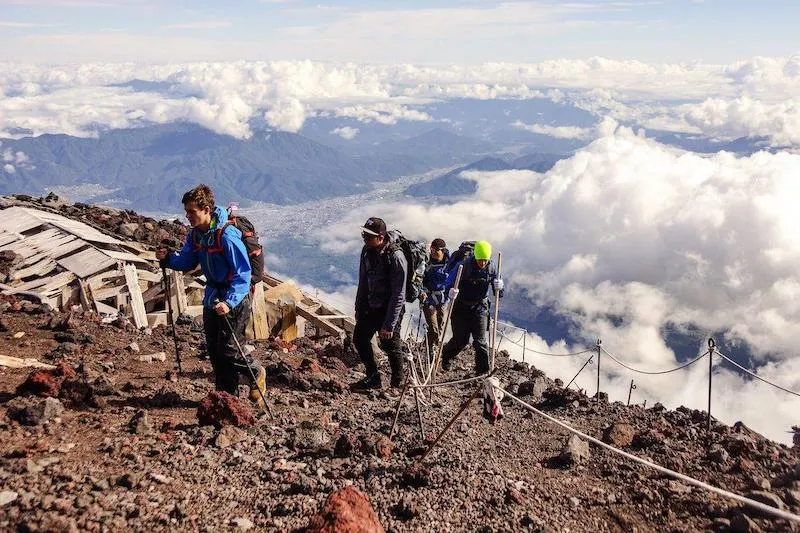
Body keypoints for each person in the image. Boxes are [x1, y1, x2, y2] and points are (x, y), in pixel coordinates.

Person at [156, 184, 266, 405]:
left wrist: (230, 302)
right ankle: (227, 398)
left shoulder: (227, 235)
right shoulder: (197, 235)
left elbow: (243, 274)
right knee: (215, 352)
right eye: (186, 211)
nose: (187, 216)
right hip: (213, 296)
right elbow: (188, 260)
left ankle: (256, 372)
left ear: (206, 209)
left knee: (228, 349)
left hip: (233, 299)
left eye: (191, 212)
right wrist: (168, 259)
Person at [351, 217, 408, 391]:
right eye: (364, 235)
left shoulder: (396, 257)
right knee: (360, 338)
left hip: (389, 308)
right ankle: (373, 377)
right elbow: (363, 280)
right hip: (371, 305)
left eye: (369, 237)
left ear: (381, 237)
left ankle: (397, 384)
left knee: (390, 344)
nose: (365, 239)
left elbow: (399, 294)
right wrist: (359, 308)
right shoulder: (367, 251)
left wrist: (389, 324)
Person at [440, 240, 504, 376]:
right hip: (461, 307)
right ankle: (445, 356)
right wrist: (451, 291)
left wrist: (500, 287)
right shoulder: (463, 266)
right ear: (475, 256)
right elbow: (448, 283)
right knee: (460, 340)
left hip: (480, 307)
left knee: (480, 341)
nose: (482, 263)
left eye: (485, 260)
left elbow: (499, 291)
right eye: (480, 260)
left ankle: (483, 372)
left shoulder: (492, 267)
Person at [419, 238, 450, 358]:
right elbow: (419, 279)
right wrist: (421, 292)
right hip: (429, 298)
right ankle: (432, 351)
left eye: (436, 250)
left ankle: (430, 345)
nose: (432, 252)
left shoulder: (449, 263)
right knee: (433, 328)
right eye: (431, 249)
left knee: (440, 325)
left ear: (442, 250)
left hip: (443, 299)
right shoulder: (426, 262)